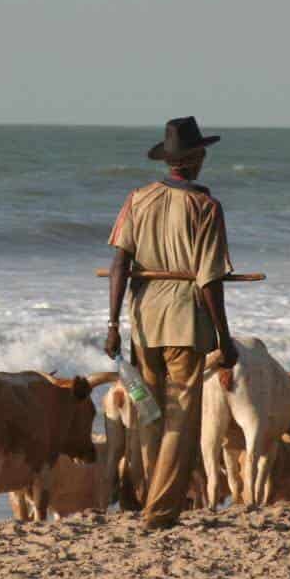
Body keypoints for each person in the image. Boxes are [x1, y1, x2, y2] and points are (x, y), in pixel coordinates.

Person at [105, 116, 238, 529]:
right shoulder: (205, 206)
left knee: (150, 412)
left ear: (169, 161)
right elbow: (209, 280)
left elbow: (119, 264)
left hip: (143, 320)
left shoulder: (137, 199)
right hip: (185, 321)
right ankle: (159, 511)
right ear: (196, 159)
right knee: (181, 417)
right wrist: (224, 337)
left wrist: (112, 323)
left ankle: (148, 497)